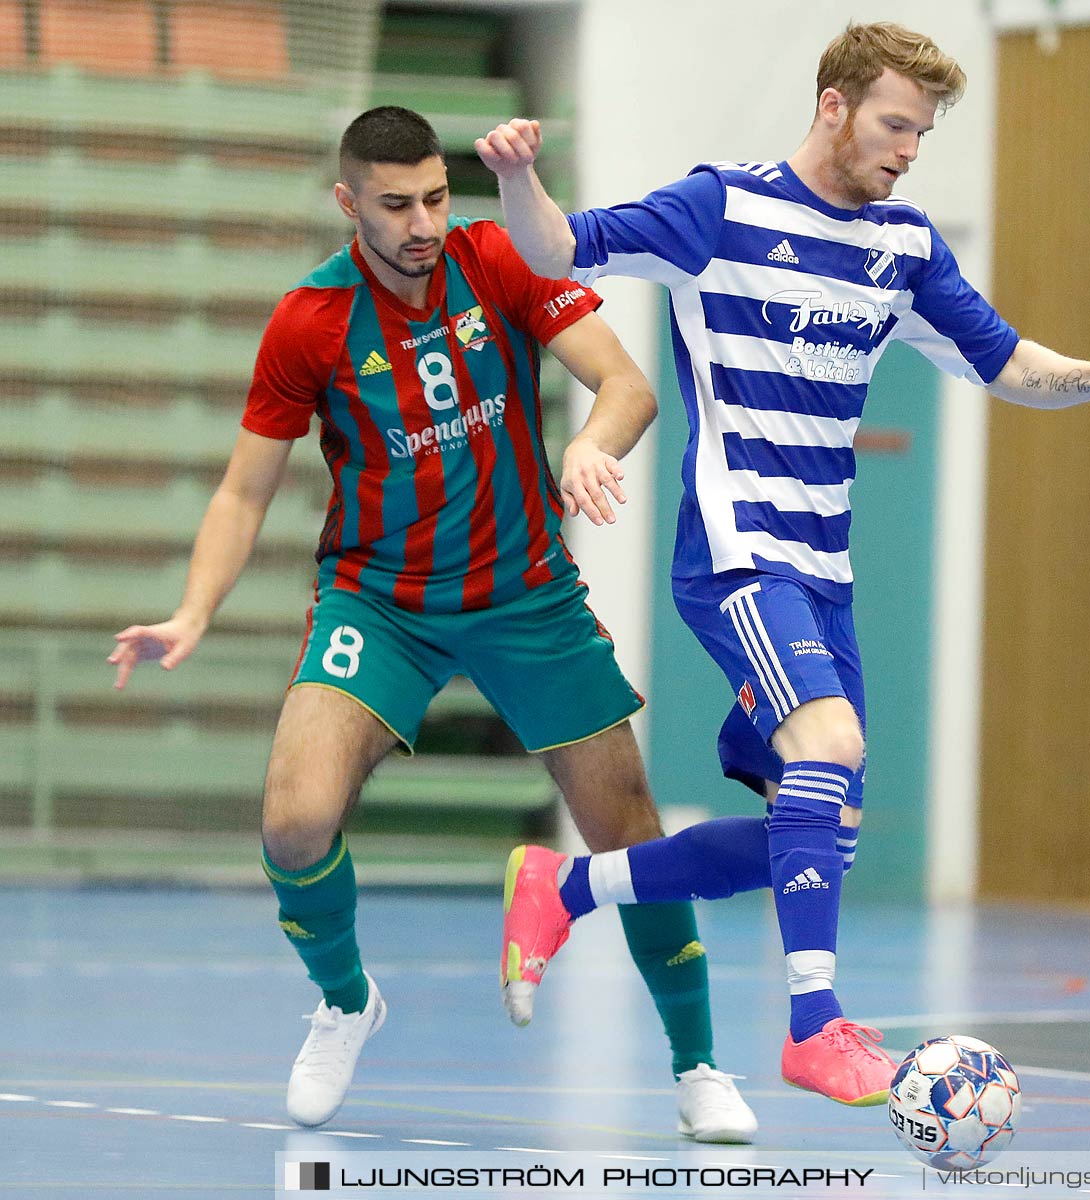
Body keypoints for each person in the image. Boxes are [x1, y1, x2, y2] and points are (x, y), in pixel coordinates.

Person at [478, 22, 1090, 1107]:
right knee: (830, 743)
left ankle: (564, 888)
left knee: (822, 825)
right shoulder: (721, 208)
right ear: (834, 105)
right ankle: (812, 1023)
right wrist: (521, 177)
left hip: (824, 569)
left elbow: (1005, 363)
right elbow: (556, 249)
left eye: (924, 133)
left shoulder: (904, 245)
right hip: (739, 549)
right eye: (896, 124)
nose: (908, 149)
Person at [107, 106, 757, 1143]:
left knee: (627, 835)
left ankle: (698, 1066)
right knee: (292, 818)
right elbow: (243, 493)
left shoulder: (497, 260)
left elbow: (625, 385)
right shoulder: (309, 321)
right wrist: (192, 612)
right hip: (381, 603)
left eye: (436, 199)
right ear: (348, 200)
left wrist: (593, 446)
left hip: (527, 595)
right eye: (397, 203)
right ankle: (346, 999)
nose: (422, 223)